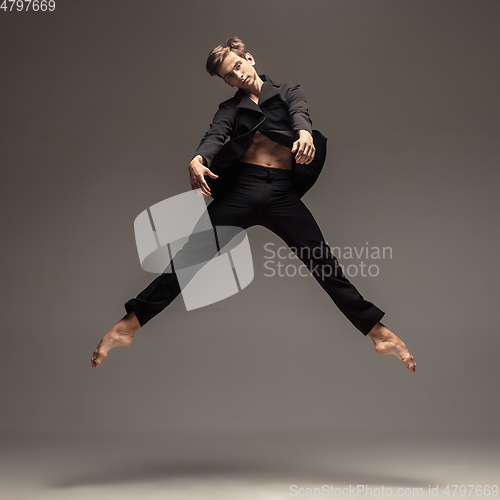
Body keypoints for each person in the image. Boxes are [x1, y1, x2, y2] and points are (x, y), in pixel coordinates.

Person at [91, 37, 416, 373]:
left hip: (281, 194)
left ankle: (379, 334)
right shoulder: (230, 109)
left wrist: (304, 134)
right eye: (229, 75)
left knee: (324, 264)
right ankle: (128, 325)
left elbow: (300, 114)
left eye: (238, 66)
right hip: (241, 193)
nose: (238, 75)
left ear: (249, 58)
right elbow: (215, 134)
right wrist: (198, 158)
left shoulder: (288, 91)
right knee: (187, 259)